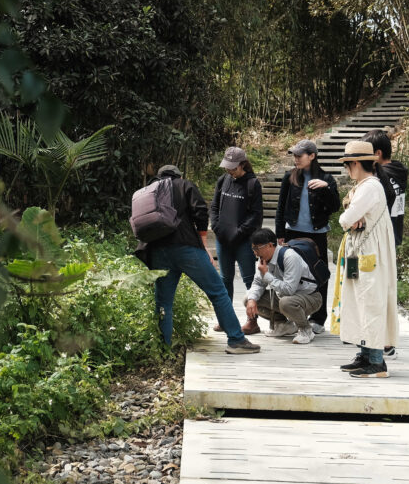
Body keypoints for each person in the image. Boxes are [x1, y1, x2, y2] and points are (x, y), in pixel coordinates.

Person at [134, 164, 261, 354]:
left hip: (158, 252)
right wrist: (202, 242)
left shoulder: (147, 192)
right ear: (178, 175)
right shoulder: (184, 185)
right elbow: (201, 211)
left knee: (163, 303)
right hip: (187, 248)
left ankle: (164, 349)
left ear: (159, 177)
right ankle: (236, 340)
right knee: (218, 292)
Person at [336, 141, 399, 378]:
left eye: (348, 165)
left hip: (369, 255)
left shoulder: (370, 187)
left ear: (355, 163)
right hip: (359, 253)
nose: (347, 170)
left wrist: (351, 217)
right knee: (357, 300)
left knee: (371, 302)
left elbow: (346, 218)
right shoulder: (363, 186)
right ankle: (363, 353)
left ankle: (376, 361)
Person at [275, 139, 341, 334]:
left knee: (319, 274)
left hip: (317, 233)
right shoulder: (290, 177)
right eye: (294, 155)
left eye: (299, 155)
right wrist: (280, 233)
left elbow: (334, 207)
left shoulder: (326, 178)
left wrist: (325, 188)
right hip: (292, 232)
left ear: (312, 156)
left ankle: (319, 319)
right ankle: (294, 316)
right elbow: (281, 207)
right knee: (291, 273)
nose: (295, 159)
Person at [361, 129, 408, 358]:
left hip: (378, 239)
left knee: (375, 292)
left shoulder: (380, 178)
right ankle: (384, 341)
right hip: (393, 236)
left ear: (377, 154)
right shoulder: (398, 172)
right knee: (385, 290)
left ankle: (382, 344)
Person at [210, 146, 263, 335]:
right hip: (222, 239)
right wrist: (216, 227)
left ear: (242, 164)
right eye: (227, 166)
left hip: (244, 241)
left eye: (233, 167)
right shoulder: (223, 180)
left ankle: (252, 321)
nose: (229, 170)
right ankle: (225, 320)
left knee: (250, 280)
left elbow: (256, 216)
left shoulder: (252, 184)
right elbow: (214, 207)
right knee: (225, 280)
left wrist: (239, 232)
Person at [245, 229, 322, 344]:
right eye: (253, 249)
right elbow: (258, 283)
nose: (255, 253)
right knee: (249, 299)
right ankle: (282, 325)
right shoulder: (262, 259)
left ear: (270, 245)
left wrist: (266, 275)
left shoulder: (290, 257)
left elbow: (289, 290)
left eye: (257, 248)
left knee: (286, 302)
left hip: (310, 297)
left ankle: (305, 329)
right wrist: (252, 299)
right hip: (285, 298)